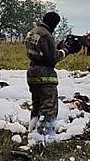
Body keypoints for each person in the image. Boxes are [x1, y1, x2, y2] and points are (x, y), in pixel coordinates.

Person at [25, 11, 78, 142]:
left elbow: (41, 51)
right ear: (54, 23)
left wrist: (57, 47)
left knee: (37, 104)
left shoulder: (32, 32)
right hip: (45, 75)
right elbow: (52, 58)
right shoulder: (46, 35)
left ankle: (32, 129)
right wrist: (67, 50)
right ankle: (44, 135)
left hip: (32, 73)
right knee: (49, 105)